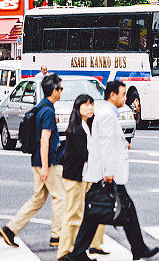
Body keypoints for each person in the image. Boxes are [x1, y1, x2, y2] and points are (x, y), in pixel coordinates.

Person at [71, 81, 158, 261]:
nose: (125, 98)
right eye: (123, 94)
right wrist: (108, 171)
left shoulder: (107, 113)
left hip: (105, 173)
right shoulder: (107, 115)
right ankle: (138, 248)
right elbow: (105, 146)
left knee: (98, 212)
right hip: (108, 174)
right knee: (103, 211)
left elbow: (109, 142)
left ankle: (79, 252)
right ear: (113, 95)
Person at [0, 73, 64, 249]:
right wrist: (45, 166)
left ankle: (10, 230)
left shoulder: (41, 107)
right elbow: (45, 139)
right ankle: (57, 235)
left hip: (37, 159)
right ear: (54, 90)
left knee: (39, 199)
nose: (61, 91)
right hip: (46, 161)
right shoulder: (48, 110)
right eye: (61, 88)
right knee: (59, 196)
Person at [58, 95, 107, 261]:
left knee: (82, 215)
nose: (90, 108)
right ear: (77, 108)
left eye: (91, 104)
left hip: (84, 175)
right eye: (85, 105)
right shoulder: (77, 128)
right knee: (73, 215)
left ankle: (77, 251)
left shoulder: (87, 125)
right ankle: (64, 252)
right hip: (75, 177)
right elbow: (85, 154)